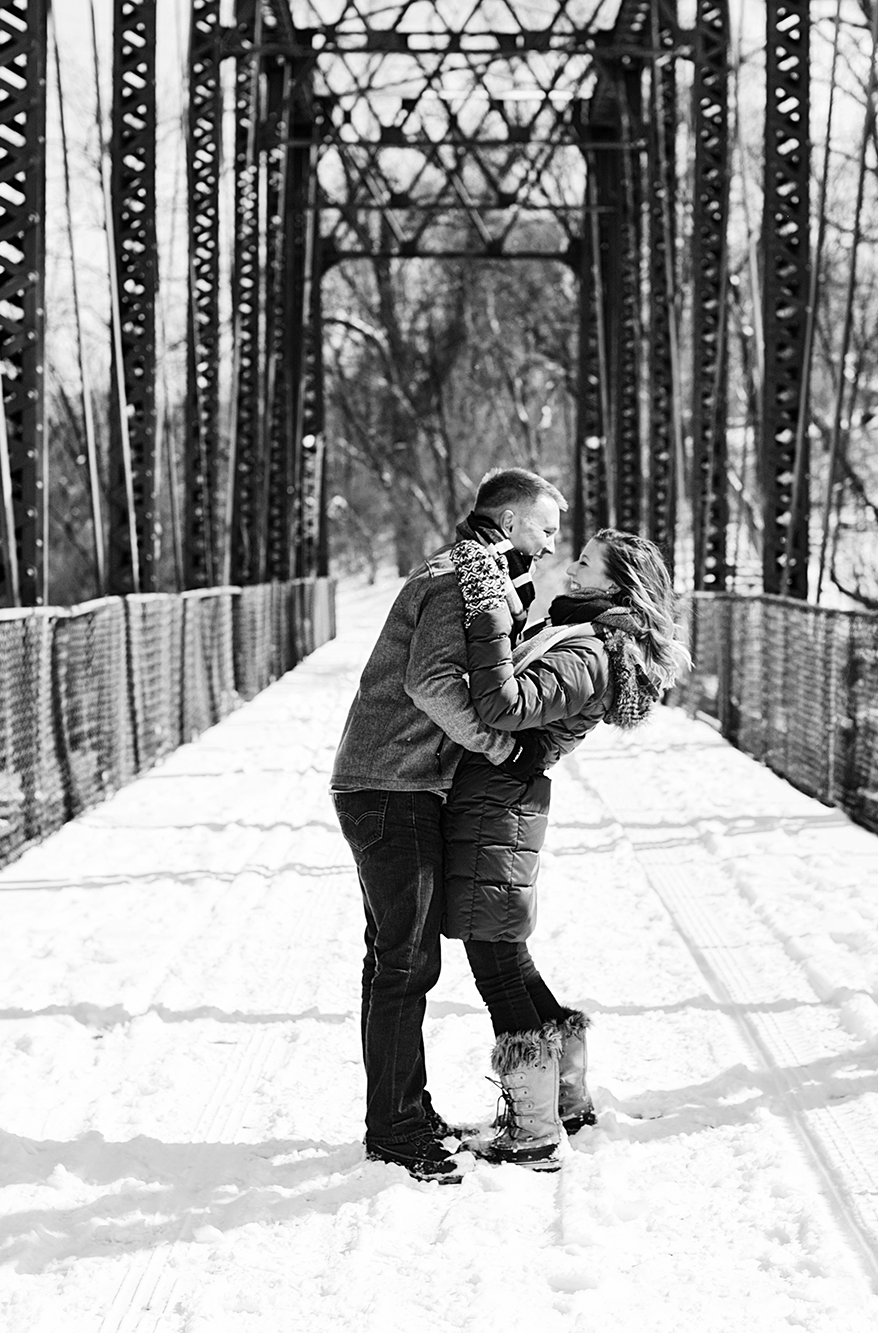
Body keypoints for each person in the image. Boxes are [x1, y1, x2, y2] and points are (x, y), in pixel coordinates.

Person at [330, 468, 566, 1183]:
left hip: (395, 783)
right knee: (405, 962)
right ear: (511, 517)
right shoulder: (463, 578)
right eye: (547, 529)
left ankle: (403, 1109)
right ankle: (395, 1128)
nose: (553, 546)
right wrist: (502, 745)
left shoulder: (478, 574)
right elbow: (430, 682)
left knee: (397, 960)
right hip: (390, 784)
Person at [441, 527, 691, 1170]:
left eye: (584, 561)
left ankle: (533, 1132)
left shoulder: (586, 652)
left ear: (614, 584)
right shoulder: (588, 638)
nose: (569, 565)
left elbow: (502, 706)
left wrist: (488, 624)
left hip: (497, 805)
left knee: (494, 963)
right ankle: (567, 1100)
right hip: (499, 802)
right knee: (509, 957)